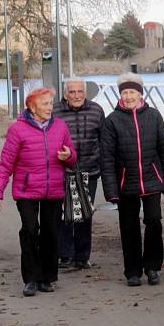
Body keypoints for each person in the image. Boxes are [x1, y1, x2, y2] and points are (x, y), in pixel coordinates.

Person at [0, 88, 76, 297]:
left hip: (53, 190)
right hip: (26, 190)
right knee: (30, 230)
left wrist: (68, 156)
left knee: (50, 233)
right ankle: (30, 279)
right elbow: (6, 163)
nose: (50, 108)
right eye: (45, 104)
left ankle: (46, 278)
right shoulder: (17, 129)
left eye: (51, 103)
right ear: (32, 106)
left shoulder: (60, 126)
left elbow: (73, 158)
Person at [100, 73, 164, 287]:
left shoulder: (154, 116)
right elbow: (107, 158)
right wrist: (111, 191)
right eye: (125, 92)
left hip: (151, 180)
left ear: (140, 94)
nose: (129, 96)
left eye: (132, 92)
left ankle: (152, 267)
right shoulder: (112, 121)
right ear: (120, 94)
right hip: (126, 183)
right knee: (129, 227)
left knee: (153, 221)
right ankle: (132, 271)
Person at [53, 77, 105, 270]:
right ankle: (65, 255)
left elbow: (104, 139)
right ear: (66, 94)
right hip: (62, 170)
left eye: (79, 92)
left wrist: (103, 165)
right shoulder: (56, 111)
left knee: (84, 214)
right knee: (65, 215)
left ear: (85, 93)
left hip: (89, 169)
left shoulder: (96, 110)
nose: (76, 95)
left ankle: (82, 257)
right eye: (72, 92)